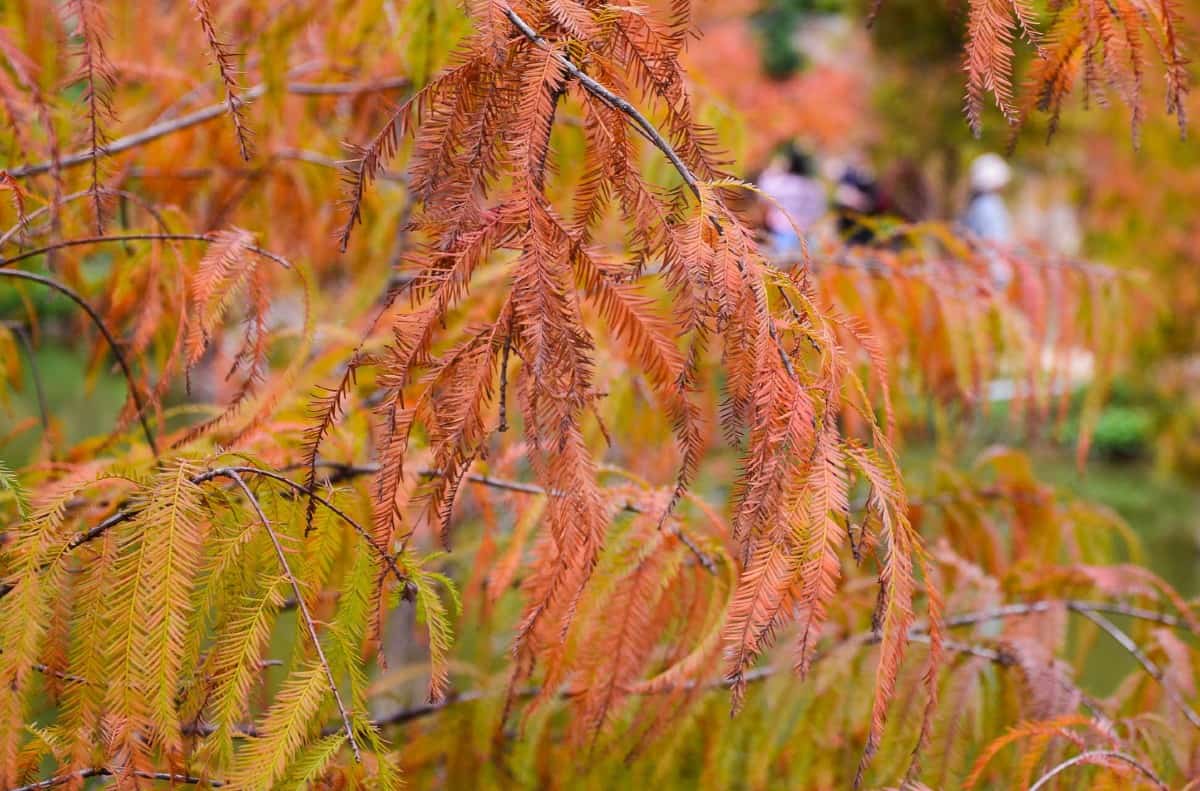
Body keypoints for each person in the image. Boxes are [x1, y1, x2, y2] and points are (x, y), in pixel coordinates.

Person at [757, 143, 827, 256]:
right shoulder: (815, 186)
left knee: (780, 265)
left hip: (780, 232)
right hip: (806, 234)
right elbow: (819, 212)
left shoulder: (780, 183)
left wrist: (773, 170)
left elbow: (762, 196)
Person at [961, 152, 1015, 286]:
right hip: (991, 273)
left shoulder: (976, 204)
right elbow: (992, 240)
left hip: (984, 270)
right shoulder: (989, 205)